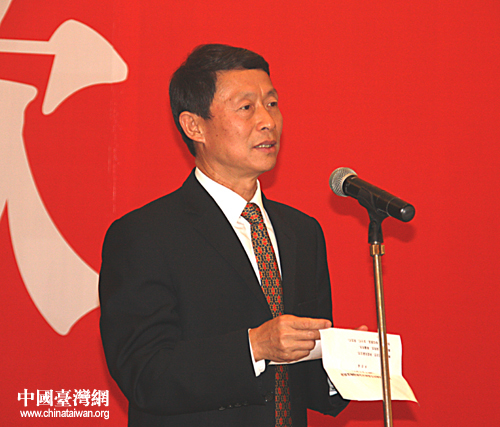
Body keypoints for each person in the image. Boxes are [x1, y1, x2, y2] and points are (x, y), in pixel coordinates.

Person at [99, 44, 349, 426]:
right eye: (246, 107)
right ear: (194, 126)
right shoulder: (145, 235)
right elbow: (145, 373)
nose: (267, 121)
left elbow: (302, 376)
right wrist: (254, 347)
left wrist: (344, 363)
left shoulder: (302, 232)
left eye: (272, 103)